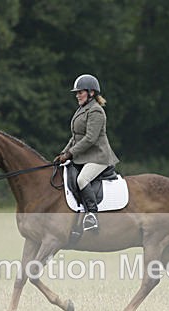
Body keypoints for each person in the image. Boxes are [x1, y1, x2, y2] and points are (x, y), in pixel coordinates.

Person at [54, 74, 119, 231]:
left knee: (82, 180)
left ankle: (92, 216)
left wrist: (70, 154)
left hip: (99, 157)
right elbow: (75, 137)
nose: (77, 95)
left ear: (91, 93)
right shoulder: (82, 109)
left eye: (80, 92)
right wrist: (63, 153)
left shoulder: (96, 111)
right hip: (84, 157)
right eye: (76, 93)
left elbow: (90, 138)